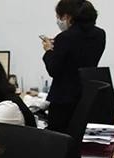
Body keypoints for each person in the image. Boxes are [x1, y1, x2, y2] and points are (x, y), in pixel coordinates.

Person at [42, 0, 105, 134]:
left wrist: (48, 50)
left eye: (59, 16)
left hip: (63, 100)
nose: (59, 20)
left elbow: (53, 69)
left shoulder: (64, 38)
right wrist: (58, 47)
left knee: (58, 142)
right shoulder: (100, 35)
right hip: (86, 96)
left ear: (68, 16)